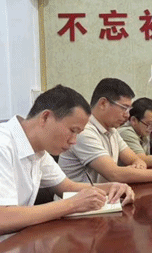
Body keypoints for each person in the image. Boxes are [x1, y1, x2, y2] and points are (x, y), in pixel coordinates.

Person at [0, 85, 134, 235]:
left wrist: (112, 188)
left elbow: (67, 186)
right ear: (45, 117)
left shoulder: (39, 150)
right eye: (72, 131)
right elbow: (3, 218)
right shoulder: (3, 144)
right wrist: (72, 204)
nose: (73, 141)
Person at [59, 78, 152, 184]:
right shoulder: (84, 132)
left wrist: (137, 165)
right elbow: (114, 174)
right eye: (124, 108)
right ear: (103, 103)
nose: (127, 115)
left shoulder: (112, 130)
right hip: (76, 204)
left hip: (103, 199)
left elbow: (136, 159)